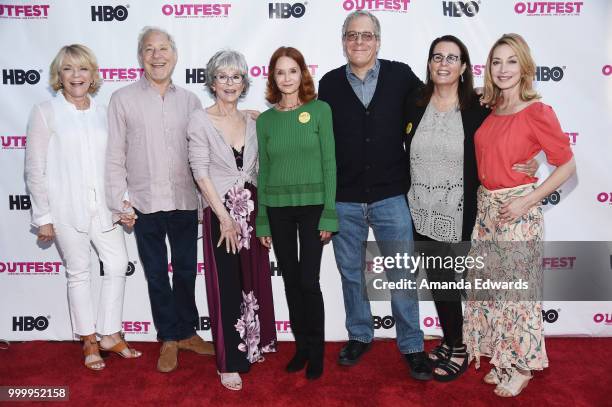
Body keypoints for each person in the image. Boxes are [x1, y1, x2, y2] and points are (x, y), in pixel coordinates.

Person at [404, 35, 537, 382]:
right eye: (437, 57)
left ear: (464, 67)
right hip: (420, 209)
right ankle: (453, 341)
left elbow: (512, 127)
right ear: (430, 64)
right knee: (439, 282)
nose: (443, 63)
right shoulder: (414, 102)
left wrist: (530, 161)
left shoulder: (479, 104)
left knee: (461, 283)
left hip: (464, 212)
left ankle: (470, 348)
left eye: (452, 57)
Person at [318, 10, 431, 380]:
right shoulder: (329, 83)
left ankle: (412, 344)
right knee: (351, 274)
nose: (360, 42)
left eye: (367, 35)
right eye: (352, 35)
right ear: (343, 41)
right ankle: (360, 335)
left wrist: (477, 96)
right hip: (345, 198)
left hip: (390, 196)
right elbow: (312, 131)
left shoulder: (400, 76)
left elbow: (435, 103)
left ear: (378, 40)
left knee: (400, 275)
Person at [463, 33, 576, 397]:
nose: (503, 68)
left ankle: (524, 366)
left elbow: (567, 166)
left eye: (511, 61)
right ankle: (504, 359)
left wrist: (528, 201)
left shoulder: (537, 111)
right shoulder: (492, 109)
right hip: (488, 210)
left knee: (518, 295)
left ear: (525, 67)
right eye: (496, 61)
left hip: (517, 211)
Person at [25, 44, 141, 371]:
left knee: (117, 264)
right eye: (68, 69)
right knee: (78, 272)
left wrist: (123, 202)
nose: (76, 75)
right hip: (65, 210)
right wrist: (43, 217)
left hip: (104, 208)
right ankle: (89, 338)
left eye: (82, 69)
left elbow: (116, 163)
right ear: (59, 76)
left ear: (92, 75)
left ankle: (109, 334)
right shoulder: (45, 112)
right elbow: (35, 169)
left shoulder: (104, 112)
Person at [105, 27, 214, 373]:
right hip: (143, 204)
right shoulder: (122, 99)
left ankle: (187, 333)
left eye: (163, 48)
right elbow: (114, 156)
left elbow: (203, 152)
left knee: (185, 272)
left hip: (184, 201)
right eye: (149, 50)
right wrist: (118, 202)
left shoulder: (191, 102)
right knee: (155, 274)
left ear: (174, 54)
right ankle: (168, 335)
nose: (157, 56)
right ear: (140, 57)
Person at [187, 49, 277, 391]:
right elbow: (200, 172)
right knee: (225, 286)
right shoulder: (200, 119)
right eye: (222, 76)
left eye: (236, 77)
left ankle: (252, 345)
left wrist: (263, 218)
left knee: (252, 280)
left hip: (252, 211)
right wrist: (224, 218)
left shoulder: (254, 121)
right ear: (212, 81)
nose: (229, 83)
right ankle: (229, 363)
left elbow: (259, 169)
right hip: (220, 212)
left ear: (244, 82)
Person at [255, 46, 338, 380]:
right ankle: (301, 347)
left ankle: (316, 350)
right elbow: (263, 170)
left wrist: (330, 213)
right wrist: (262, 218)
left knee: (308, 280)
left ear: (303, 73)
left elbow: (330, 164)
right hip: (278, 209)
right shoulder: (265, 120)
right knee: (290, 280)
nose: (286, 77)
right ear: (273, 78)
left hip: (314, 206)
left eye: (292, 70)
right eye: (280, 72)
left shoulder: (320, 111)